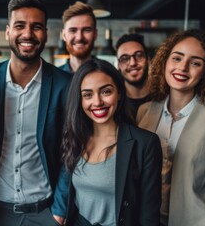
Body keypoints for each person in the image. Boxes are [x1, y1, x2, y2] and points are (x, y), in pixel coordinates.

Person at [0, 0, 72, 226]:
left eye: (36, 27)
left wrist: (59, 209)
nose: (28, 34)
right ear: (8, 31)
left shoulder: (65, 85)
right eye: (20, 26)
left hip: (45, 213)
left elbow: (72, 150)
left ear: (46, 34)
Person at [136, 29, 205, 226]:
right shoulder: (144, 112)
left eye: (195, 62)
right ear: (165, 61)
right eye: (177, 58)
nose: (183, 67)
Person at [52, 60, 162, 226]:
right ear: (80, 100)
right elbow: (66, 181)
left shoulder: (145, 143)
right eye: (88, 95)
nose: (97, 102)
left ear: (119, 93)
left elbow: (149, 214)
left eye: (105, 92)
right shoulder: (76, 137)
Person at [59, 1, 104, 73]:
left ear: (95, 34)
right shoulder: (54, 78)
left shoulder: (107, 75)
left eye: (86, 30)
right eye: (73, 30)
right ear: (64, 35)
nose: (79, 37)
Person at [115, 34, 151, 119]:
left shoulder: (163, 97)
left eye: (138, 55)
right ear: (118, 65)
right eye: (124, 58)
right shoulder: (115, 101)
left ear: (148, 60)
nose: (133, 63)